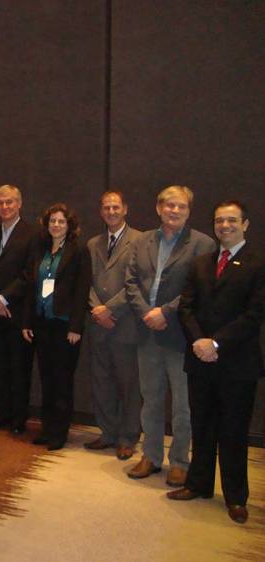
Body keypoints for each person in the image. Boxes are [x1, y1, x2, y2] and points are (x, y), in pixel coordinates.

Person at [169, 200, 265, 525]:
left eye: (232, 220)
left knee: (234, 431)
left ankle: (236, 497)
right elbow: (186, 308)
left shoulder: (258, 263)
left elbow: (254, 315)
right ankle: (198, 484)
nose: (224, 226)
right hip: (200, 359)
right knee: (203, 425)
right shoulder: (201, 263)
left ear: (245, 224)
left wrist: (216, 342)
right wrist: (199, 341)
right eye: (219, 220)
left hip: (237, 363)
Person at [125, 185, 216, 486]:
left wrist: (165, 312)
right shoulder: (142, 241)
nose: (174, 210)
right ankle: (150, 456)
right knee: (150, 399)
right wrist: (146, 313)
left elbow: (198, 289)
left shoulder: (202, 244)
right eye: (169, 205)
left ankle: (179, 461)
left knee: (182, 405)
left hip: (180, 335)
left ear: (189, 211)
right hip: (147, 333)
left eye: (181, 206)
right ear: (158, 208)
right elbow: (131, 281)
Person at [22, 203, 91, 451]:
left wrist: (76, 327)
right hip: (42, 323)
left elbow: (82, 291)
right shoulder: (40, 249)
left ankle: (59, 432)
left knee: (62, 381)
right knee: (46, 378)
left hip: (65, 326)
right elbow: (31, 287)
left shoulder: (79, 251)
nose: (56, 225)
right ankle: (47, 428)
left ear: (69, 225)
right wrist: (27, 321)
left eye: (61, 221)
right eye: (52, 221)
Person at [85, 191, 142, 460]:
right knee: (102, 381)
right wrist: (97, 309)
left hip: (125, 323)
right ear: (101, 211)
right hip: (98, 324)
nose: (111, 211)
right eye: (106, 207)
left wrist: (110, 308)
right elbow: (86, 281)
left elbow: (139, 281)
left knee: (129, 384)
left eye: (115, 207)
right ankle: (107, 432)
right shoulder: (92, 243)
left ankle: (128, 437)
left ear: (125, 209)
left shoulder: (140, 240)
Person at [0, 184, 36, 434]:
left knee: (19, 368)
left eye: (9, 201)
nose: (5, 206)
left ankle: (18, 418)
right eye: (0, 202)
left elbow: (30, 274)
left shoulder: (34, 234)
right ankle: (1, 413)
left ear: (19, 203)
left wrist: (5, 298)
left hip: (19, 314)